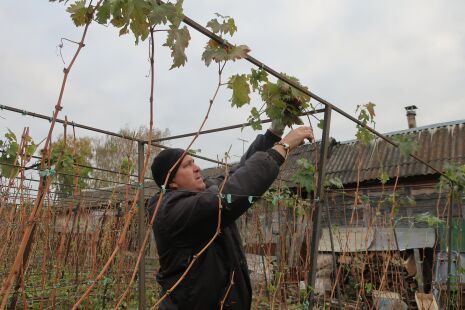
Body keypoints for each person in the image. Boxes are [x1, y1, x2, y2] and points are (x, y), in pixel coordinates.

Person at [148, 124, 314, 309]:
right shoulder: (169, 211)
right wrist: (282, 147)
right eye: (187, 165)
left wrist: (273, 132)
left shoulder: (201, 192)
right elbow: (230, 194)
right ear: (171, 182)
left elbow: (240, 171)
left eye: (193, 161)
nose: (197, 168)